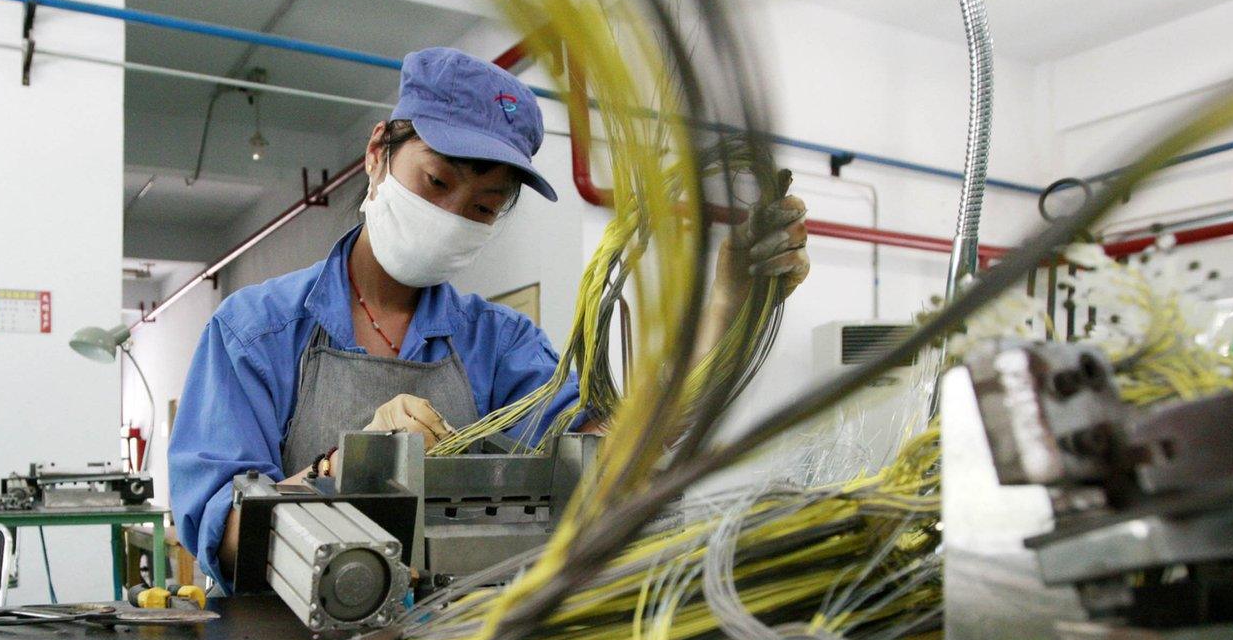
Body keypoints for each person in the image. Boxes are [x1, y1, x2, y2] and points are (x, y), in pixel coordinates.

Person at [168, 47, 807, 591]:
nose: (450, 214)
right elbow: (218, 529)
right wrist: (349, 468)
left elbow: (608, 452)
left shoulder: (500, 344)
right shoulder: (258, 330)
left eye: (482, 206)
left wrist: (726, 308)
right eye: (437, 182)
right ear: (377, 155)